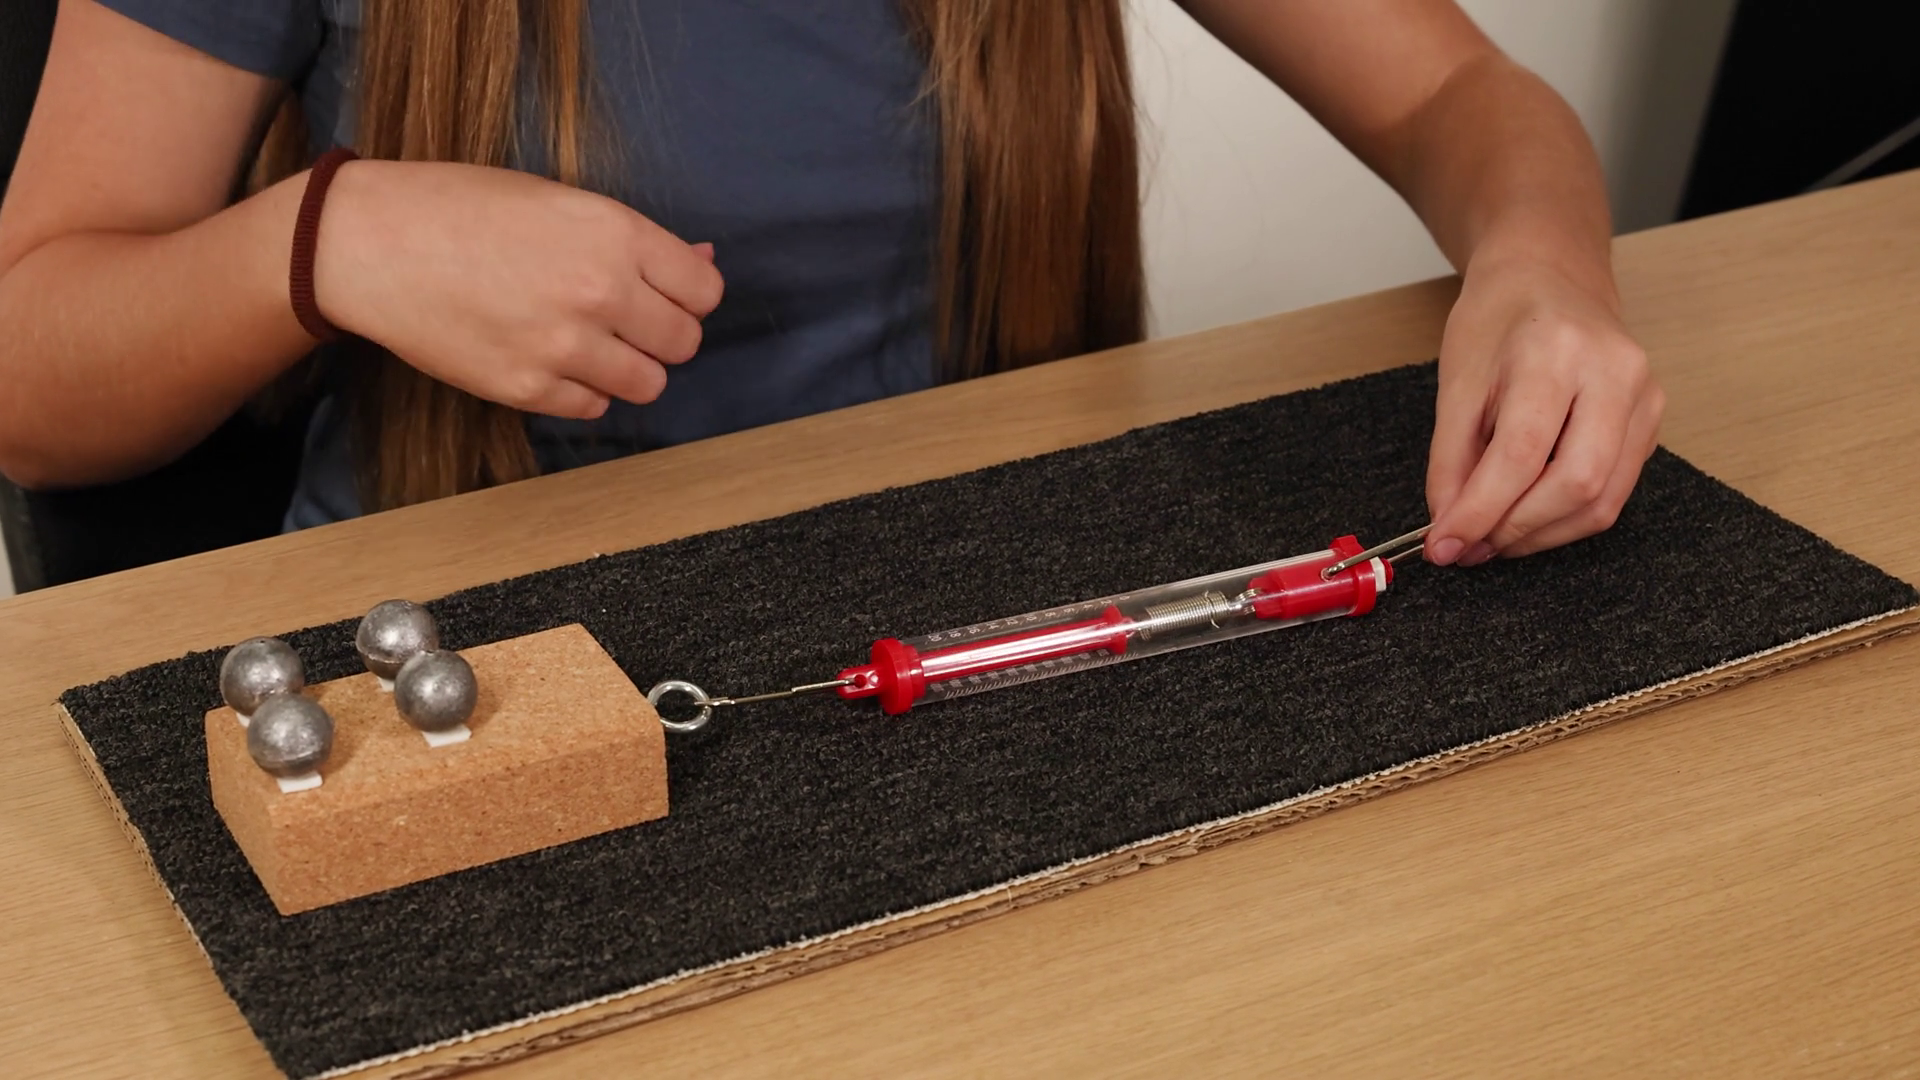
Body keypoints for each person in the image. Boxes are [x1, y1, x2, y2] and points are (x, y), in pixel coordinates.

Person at [0, 0, 1662, 567]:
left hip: (951, 632)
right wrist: (327, 239)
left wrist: (1541, 270)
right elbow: (27, 370)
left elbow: (1460, 99)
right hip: (467, 674)